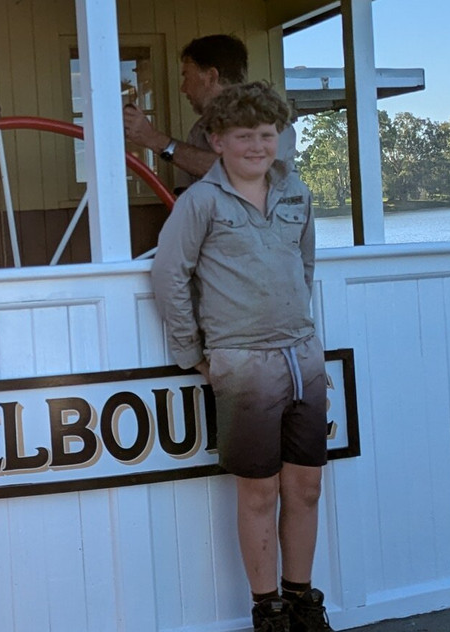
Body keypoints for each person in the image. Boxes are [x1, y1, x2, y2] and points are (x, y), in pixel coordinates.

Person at [150, 82, 332, 632]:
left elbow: (305, 266)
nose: (257, 146)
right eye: (244, 136)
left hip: (303, 359)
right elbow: (169, 276)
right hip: (243, 365)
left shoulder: (296, 192)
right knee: (259, 490)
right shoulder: (200, 202)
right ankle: (268, 609)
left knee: (306, 487)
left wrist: (297, 329)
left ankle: (302, 602)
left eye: (266, 135)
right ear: (217, 140)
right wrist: (193, 354)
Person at [123, 34, 296, 190]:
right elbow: (183, 193)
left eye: (186, 76)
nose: (183, 88)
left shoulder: (272, 122)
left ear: (211, 77)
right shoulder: (199, 131)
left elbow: (242, 173)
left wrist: (153, 138)